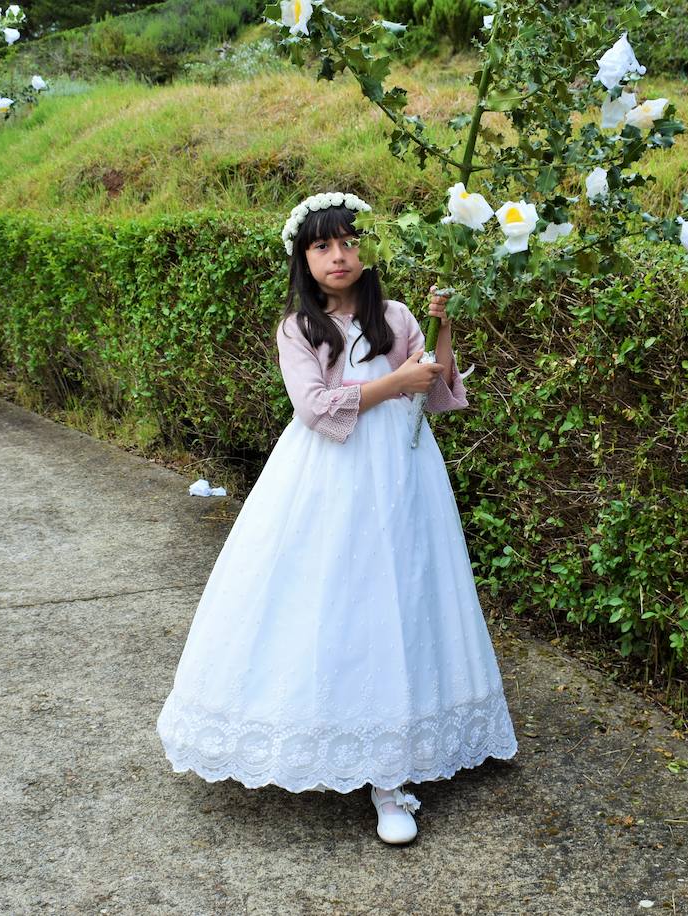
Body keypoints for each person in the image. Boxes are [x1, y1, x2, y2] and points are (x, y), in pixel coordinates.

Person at [157, 192, 517, 845]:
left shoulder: (399, 316)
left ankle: (392, 772)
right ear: (304, 259)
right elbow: (317, 408)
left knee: (399, 602)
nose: (338, 256)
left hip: (403, 482)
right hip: (327, 479)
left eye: (349, 242)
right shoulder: (298, 329)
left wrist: (444, 326)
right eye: (322, 246)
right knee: (329, 601)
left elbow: (435, 390)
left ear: (367, 249)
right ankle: (326, 737)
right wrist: (391, 385)